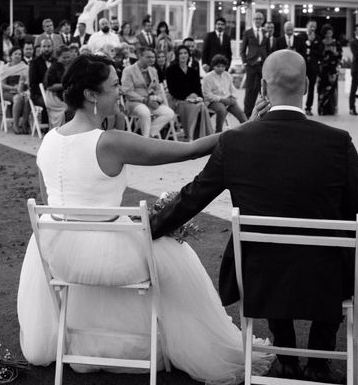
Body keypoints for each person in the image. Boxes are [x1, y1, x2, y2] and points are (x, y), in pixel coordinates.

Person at [17, 54, 274, 384]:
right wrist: (249, 127)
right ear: (91, 95)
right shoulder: (110, 141)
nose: (119, 94)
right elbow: (191, 150)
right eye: (113, 87)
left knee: (158, 244)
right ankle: (186, 343)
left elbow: (50, 203)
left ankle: (91, 339)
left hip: (55, 256)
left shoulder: (48, 140)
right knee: (179, 256)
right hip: (106, 257)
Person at [151, 49, 358, 383]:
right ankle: (319, 359)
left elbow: (192, 198)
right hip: (324, 277)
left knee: (267, 256)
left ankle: (285, 353)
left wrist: (150, 227)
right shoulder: (339, 142)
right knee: (338, 249)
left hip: (260, 274)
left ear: (263, 90)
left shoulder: (235, 142)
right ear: (307, 85)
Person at [121, 47, 175, 138]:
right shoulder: (128, 70)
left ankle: (148, 135)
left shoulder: (153, 70)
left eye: (153, 57)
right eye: (148, 57)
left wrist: (157, 99)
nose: (152, 59)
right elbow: (127, 91)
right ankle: (145, 137)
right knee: (145, 112)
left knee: (169, 113)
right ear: (140, 56)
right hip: (134, 103)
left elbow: (157, 89)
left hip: (150, 102)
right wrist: (145, 100)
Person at [166, 45, 214, 140]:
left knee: (202, 106)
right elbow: (173, 90)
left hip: (193, 100)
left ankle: (204, 136)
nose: (183, 55)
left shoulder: (193, 71)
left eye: (185, 53)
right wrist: (187, 97)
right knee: (195, 107)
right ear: (177, 55)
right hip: (177, 100)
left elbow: (198, 88)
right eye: (180, 53)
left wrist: (195, 95)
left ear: (189, 55)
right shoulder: (171, 70)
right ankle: (191, 136)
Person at [201, 54, 247, 132]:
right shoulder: (207, 77)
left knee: (241, 114)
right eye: (218, 66)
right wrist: (222, 100)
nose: (221, 69)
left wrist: (233, 97)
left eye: (223, 66)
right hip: (213, 101)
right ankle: (218, 132)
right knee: (222, 110)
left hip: (227, 99)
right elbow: (207, 94)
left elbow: (232, 89)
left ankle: (247, 130)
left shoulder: (227, 75)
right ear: (213, 66)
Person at [240, 11, 269, 118]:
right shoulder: (248, 32)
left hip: (263, 66)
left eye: (260, 19)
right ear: (253, 20)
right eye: (256, 19)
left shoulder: (266, 32)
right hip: (251, 65)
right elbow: (242, 49)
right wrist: (245, 62)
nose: (258, 21)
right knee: (250, 91)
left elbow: (268, 49)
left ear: (263, 20)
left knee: (264, 90)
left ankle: (263, 113)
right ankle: (247, 116)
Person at [0, 47, 31, 134]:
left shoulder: (25, 67)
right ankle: (16, 125)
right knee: (18, 98)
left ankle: (24, 123)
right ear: (11, 56)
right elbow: (2, 85)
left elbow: (28, 82)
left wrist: (22, 87)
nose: (18, 56)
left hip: (22, 91)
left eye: (19, 54)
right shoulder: (5, 68)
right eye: (15, 54)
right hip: (8, 92)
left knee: (26, 97)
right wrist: (13, 88)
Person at [295, 20, 322, 116]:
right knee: (298, 87)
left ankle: (308, 108)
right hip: (301, 66)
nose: (313, 28)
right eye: (311, 26)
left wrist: (311, 47)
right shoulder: (300, 37)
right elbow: (297, 50)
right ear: (307, 26)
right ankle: (297, 107)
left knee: (311, 88)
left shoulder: (318, 38)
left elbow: (320, 53)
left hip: (313, 67)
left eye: (314, 26)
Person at [42, 45, 71, 128]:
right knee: (68, 109)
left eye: (68, 57)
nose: (67, 59)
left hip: (66, 95)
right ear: (58, 57)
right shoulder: (53, 68)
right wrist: (65, 85)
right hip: (53, 96)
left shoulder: (70, 66)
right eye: (64, 57)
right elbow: (49, 86)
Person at [318, 24, 342, 116]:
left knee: (333, 89)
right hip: (323, 69)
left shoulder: (336, 43)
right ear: (324, 34)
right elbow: (318, 55)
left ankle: (334, 108)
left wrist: (333, 51)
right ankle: (322, 109)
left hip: (333, 69)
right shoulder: (321, 42)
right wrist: (324, 51)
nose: (329, 34)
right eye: (327, 33)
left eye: (330, 32)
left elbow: (339, 55)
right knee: (322, 89)